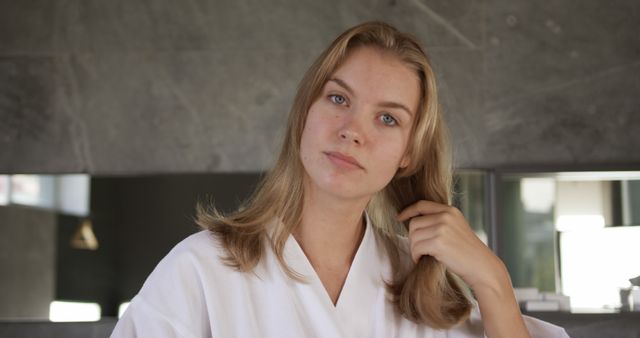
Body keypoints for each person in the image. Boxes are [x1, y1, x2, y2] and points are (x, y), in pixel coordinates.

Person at [111, 21, 568, 338]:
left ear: (408, 153)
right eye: (337, 98)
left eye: (388, 118)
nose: (353, 130)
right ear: (305, 114)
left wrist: (492, 279)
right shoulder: (200, 270)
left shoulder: (421, 290)